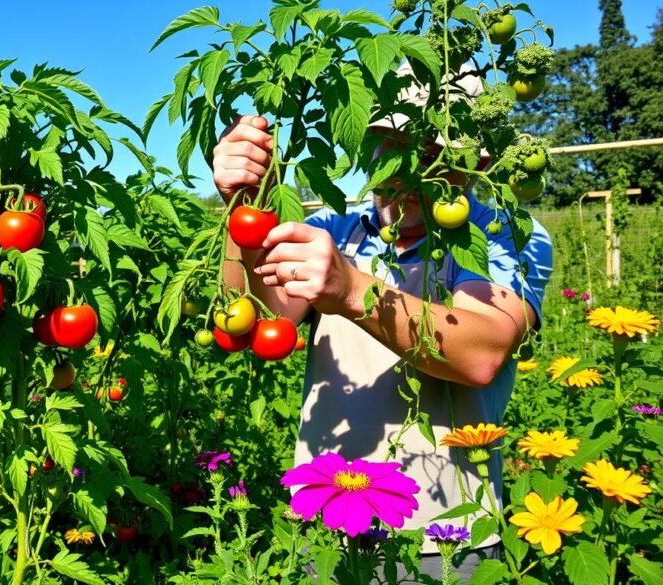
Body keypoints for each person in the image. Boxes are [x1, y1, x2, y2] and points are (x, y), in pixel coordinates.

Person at [211, 65, 553, 580]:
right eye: (392, 146)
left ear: (477, 163)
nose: (409, 169)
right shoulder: (334, 228)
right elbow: (259, 318)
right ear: (368, 146)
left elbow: (482, 352)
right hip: (327, 521)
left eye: (435, 155)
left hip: (445, 537)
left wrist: (351, 288)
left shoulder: (502, 233)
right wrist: (244, 205)